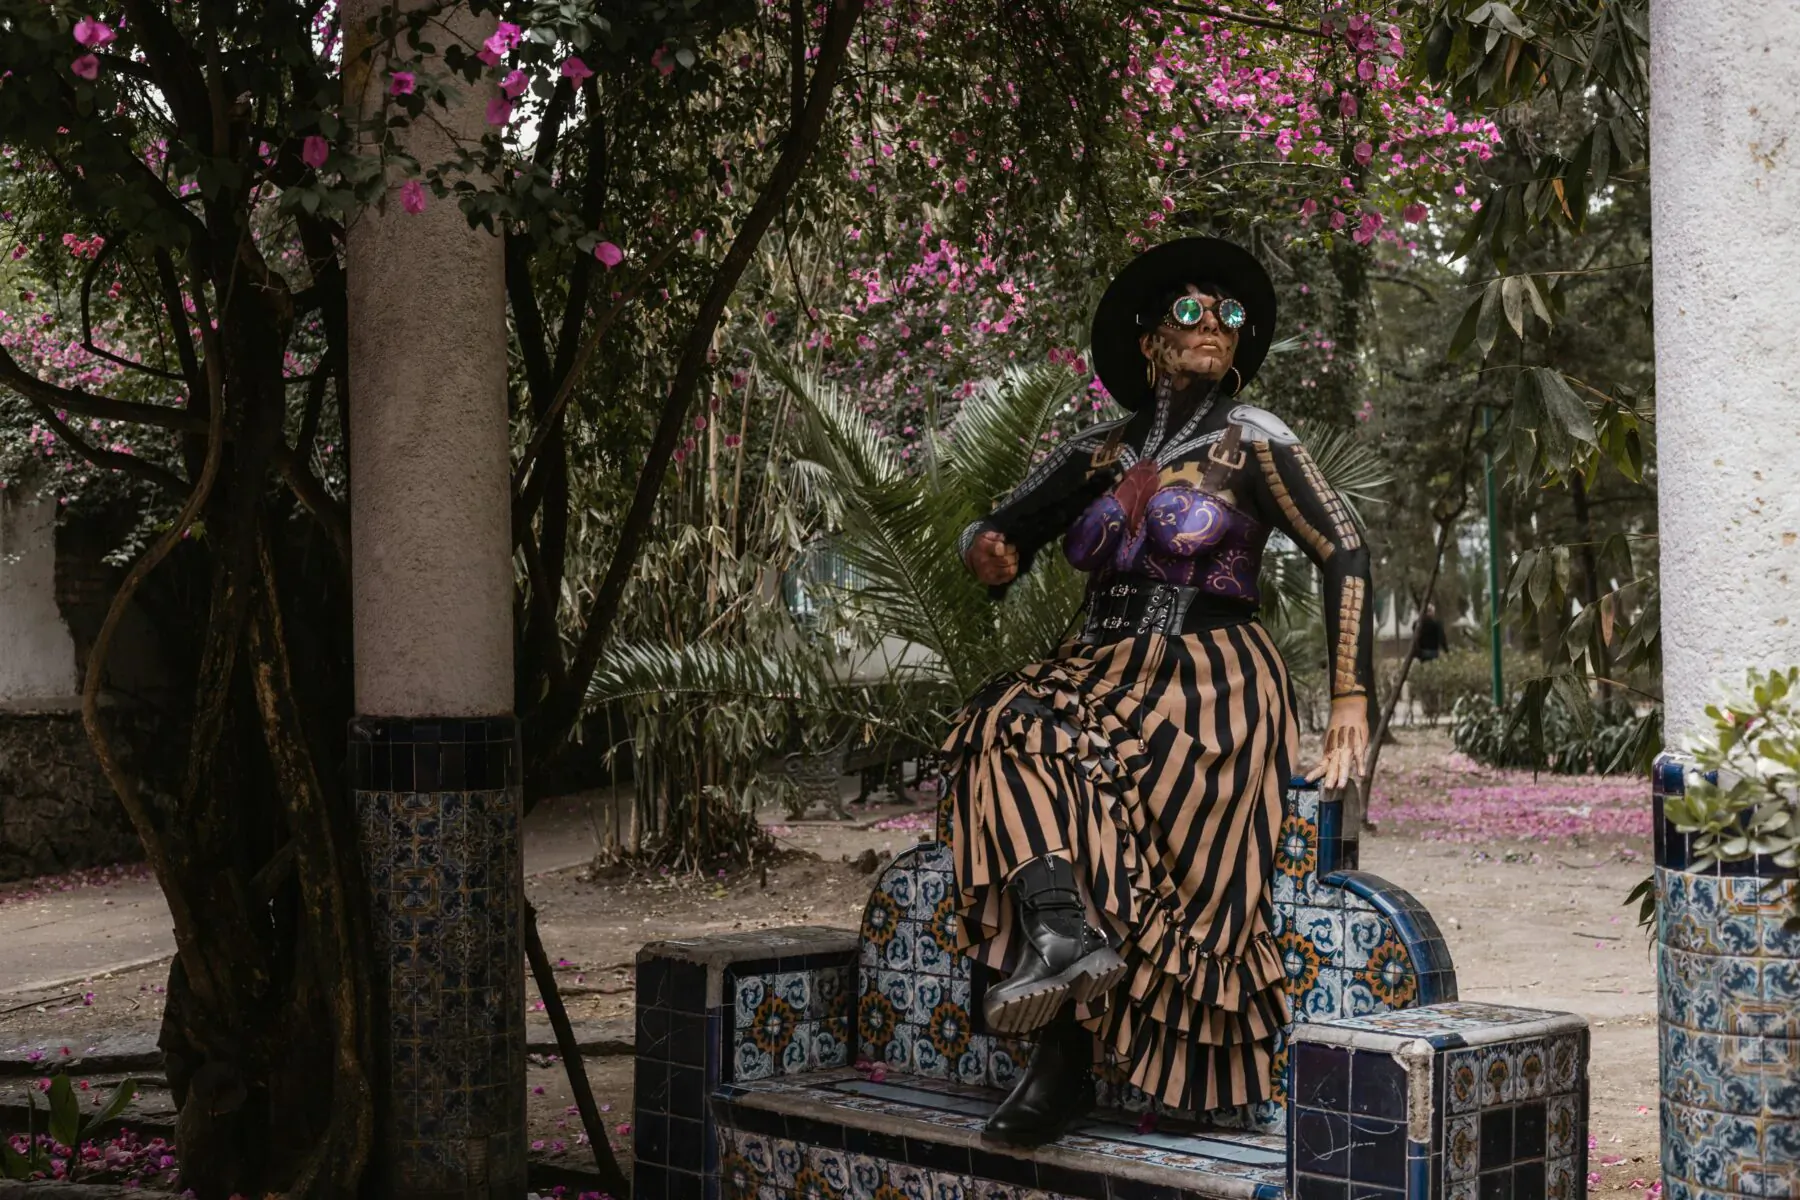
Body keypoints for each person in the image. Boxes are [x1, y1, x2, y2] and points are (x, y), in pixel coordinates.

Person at [942, 237, 1376, 1147]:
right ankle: (1061, 961)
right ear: (1148, 340)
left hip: (1210, 680)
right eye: (1189, 310)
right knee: (1001, 720)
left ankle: (1066, 1052)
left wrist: (1350, 695)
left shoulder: (1254, 438)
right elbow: (1004, 530)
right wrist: (985, 550)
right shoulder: (1101, 450)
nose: (1212, 323)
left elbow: (1344, 546)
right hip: (1100, 671)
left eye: (1228, 313)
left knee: (1060, 750)